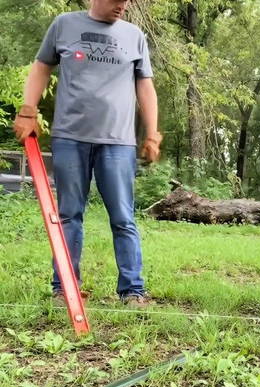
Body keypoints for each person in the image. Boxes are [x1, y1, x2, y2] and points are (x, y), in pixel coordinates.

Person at [13, 0, 162, 307]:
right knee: (68, 216)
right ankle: (63, 288)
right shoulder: (64, 25)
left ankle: (132, 290)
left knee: (123, 218)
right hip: (70, 138)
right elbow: (41, 66)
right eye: (117, 0)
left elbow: (145, 85)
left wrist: (152, 133)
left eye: (126, 0)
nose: (123, 5)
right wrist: (28, 110)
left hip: (118, 143)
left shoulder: (134, 35)